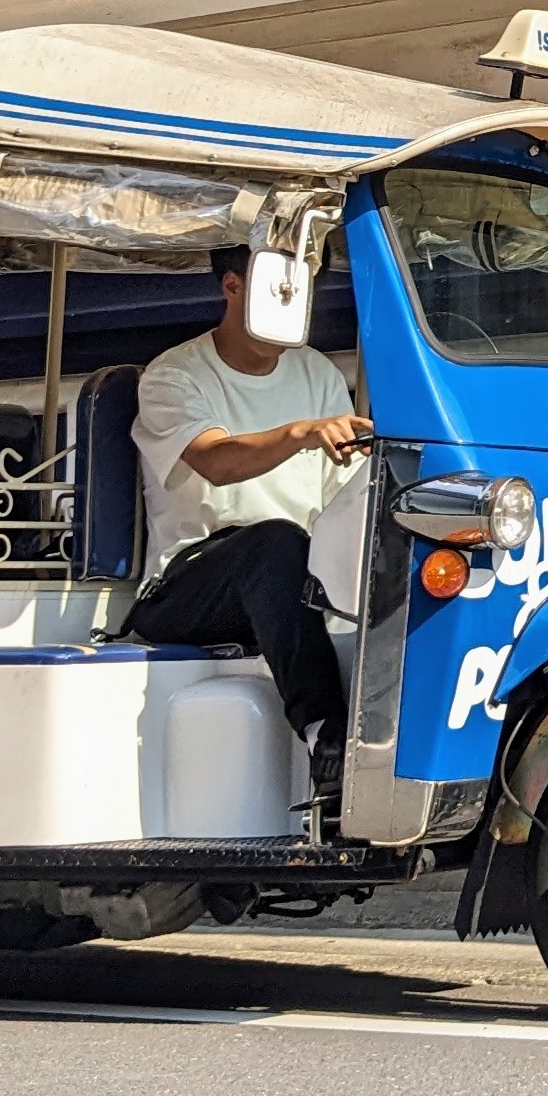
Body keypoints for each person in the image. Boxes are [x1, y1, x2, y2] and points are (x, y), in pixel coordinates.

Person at [120, 247, 362, 746]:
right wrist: (299, 433)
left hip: (297, 580)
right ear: (232, 287)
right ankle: (326, 735)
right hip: (185, 584)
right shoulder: (172, 375)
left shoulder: (319, 373)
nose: (294, 300)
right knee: (275, 543)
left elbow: (347, 499)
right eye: (280, 286)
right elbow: (217, 460)